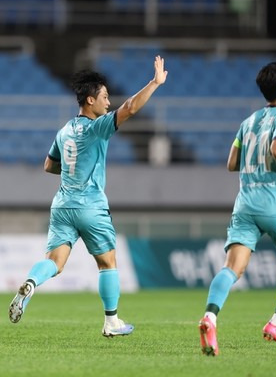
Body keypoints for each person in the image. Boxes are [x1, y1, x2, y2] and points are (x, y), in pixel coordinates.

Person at [9, 56, 168, 337]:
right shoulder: (97, 127)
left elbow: (48, 165)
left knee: (55, 262)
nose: (109, 102)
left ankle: (32, 282)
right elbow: (130, 108)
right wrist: (155, 83)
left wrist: (74, 167)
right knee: (108, 263)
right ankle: (111, 322)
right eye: (105, 97)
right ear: (90, 101)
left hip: (62, 205)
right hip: (91, 206)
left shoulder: (64, 130)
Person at [199, 62, 276, 355]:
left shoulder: (247, 122)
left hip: (246, 203)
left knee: (232, 268)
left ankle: (210, 317)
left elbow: (232, 163)